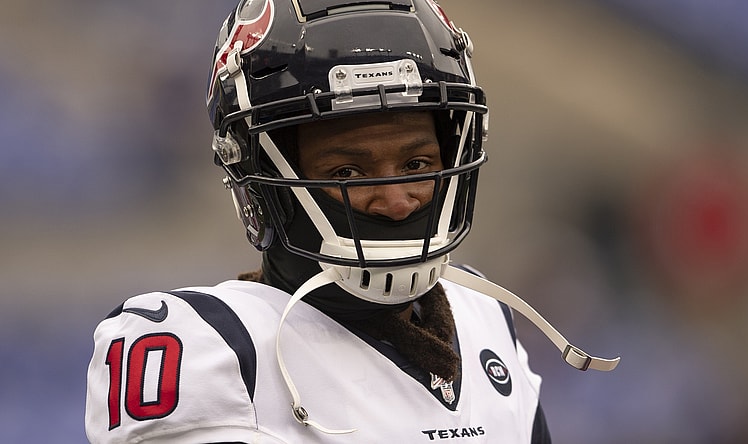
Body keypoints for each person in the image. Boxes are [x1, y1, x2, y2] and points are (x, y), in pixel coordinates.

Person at [85, 0, 618, 442]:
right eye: (347, 169)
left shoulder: (484, 318)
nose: (395, 199)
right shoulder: (204, 346)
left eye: (416, 164)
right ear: (261, 177)